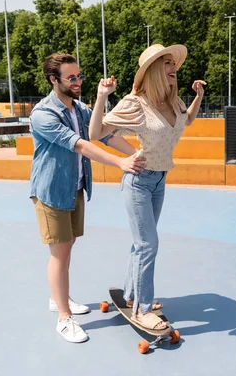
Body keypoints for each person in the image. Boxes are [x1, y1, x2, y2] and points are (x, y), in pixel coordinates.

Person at [30, 53, 146, 343]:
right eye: (71, 78)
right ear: (54, 80)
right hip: (51, 191)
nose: (78, 81)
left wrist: (137, 154)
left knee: (67, 248)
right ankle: (63, 318)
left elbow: (103, 134)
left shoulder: (79, 108)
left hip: (74, 188)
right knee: (59, 253)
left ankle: (59, 299)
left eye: (79, 76)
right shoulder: (43, 113)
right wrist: (119, 164)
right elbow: (79, 144)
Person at [88, 43, 206, 330]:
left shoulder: (172, 101)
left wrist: (198, 97)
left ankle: (131, 295)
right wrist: (102, 97)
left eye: (173, 63)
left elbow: (186, 121)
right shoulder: (136, 103)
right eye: (166, 64)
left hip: (160, 180)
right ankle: (141, 309)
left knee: (142, 243)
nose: (174, 68)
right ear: (152, 70)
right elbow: (96, 133)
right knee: (147, 244)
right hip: (139, 181)